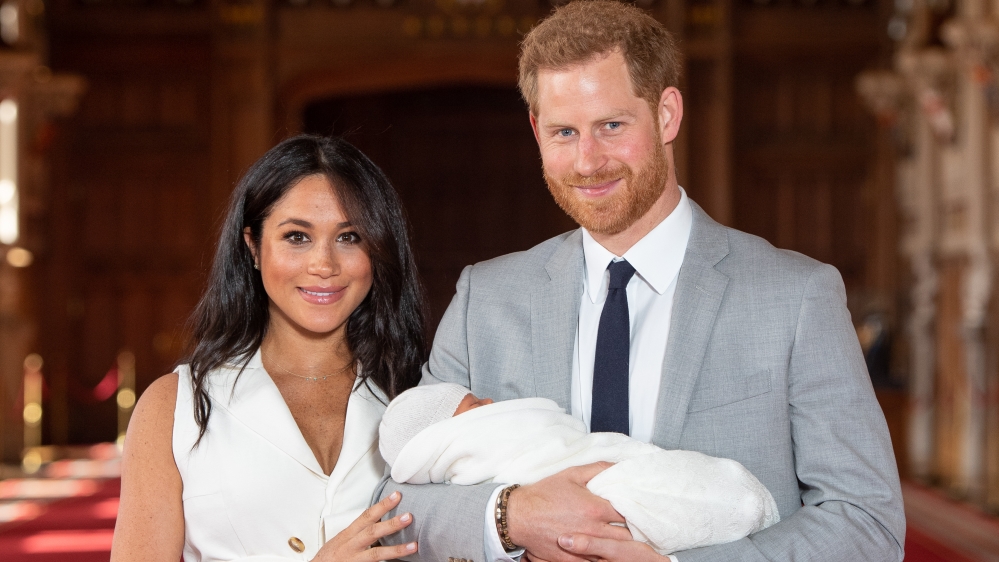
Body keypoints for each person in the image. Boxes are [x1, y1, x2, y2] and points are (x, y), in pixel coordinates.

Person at [378, 2, 906, 561]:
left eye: (611, 125)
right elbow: (397, 505)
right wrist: (511, 517)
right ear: (536, 131)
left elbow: (866, 521)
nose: (587, 161)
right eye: (563, 131)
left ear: (667, 114)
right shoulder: (485, 299)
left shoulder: (796, 297)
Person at [112, 135, 427, 561]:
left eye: (349, 236)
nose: (324, 265)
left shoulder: (419, 395)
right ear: (253, 247)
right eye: (297, 237)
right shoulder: (175, 408)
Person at [378, 383, 780, 555]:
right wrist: (509, 515)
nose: (488, 402)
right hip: (605, 484)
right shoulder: (475, 295)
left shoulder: (803, 289)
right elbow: (397, 504)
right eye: (473, 406)